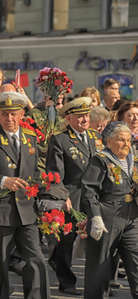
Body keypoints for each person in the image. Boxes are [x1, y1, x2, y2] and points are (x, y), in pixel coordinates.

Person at [0, 91, 50, 299]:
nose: (10, 119)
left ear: (22, 114)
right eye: (4, 114)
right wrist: (3, 181)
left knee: (37, 261)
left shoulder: (30, 138)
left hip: (26, 211)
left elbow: (34, 172)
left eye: (14, 114)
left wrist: (43, 190)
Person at [45, 97, 101, 296]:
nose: (84, 120)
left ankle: (100, 282)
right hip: (72, 195)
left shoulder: (95, 137)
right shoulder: (60, 139)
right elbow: (54, 172)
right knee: (67, 240)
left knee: (98, 239)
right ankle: (66, 281)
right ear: (69, 118)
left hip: (94, 196)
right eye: (79, 116)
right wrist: (62, 196)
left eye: (86, 115)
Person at [81, 121, 138, 299]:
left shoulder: (132, 158)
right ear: (109, 141)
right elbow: (89, 191)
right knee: (100, 267)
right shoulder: (100, 160)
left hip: (131, 217)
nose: (126, 144)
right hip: (107, 218)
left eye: (129, 140)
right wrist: (95, 217)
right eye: (121, 140)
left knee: (136, 261)